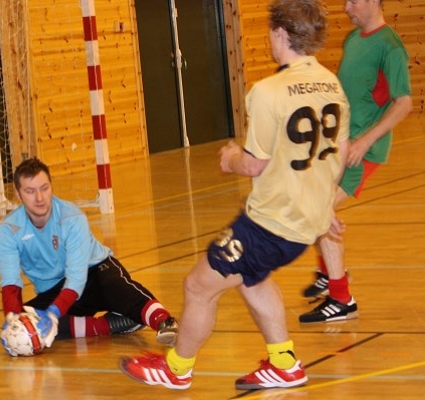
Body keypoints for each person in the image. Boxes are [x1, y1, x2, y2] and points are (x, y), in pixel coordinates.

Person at [119, 0, 350, 390]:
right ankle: (284, 363)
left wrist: (230, 158)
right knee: (251, 278)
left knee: (198, 286)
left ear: (281, 33)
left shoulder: (269, 91)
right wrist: (322, 205)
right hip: (303, 220)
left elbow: (255, 164)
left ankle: (176, 368)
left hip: (270, 223)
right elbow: (339, 153)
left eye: (271, 32)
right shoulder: (332, 84)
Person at [299, 0, 413, 323]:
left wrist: (365, 141)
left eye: (353, 1)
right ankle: (329, 274)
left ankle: (341, 298)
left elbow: (404, 103)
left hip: (362, 150)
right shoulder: (353, 39)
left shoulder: (390, 47)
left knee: (321, 208)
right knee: (315, 204)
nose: (347, 7)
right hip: (341, 143)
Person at [0, 157, 179, 356]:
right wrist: (13, 320)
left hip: (95, 271)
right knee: (29, 321)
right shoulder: (9, 231)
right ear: (18, 194)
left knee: (116, 286)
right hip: (54, 289)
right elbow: (11, 284)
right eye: (30, 191)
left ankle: (164, 321)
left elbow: (76, 279)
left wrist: (54, 312)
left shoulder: (71, 218)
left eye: (44, 188)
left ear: (51, 186)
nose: (39, 197)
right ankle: (107, 325)